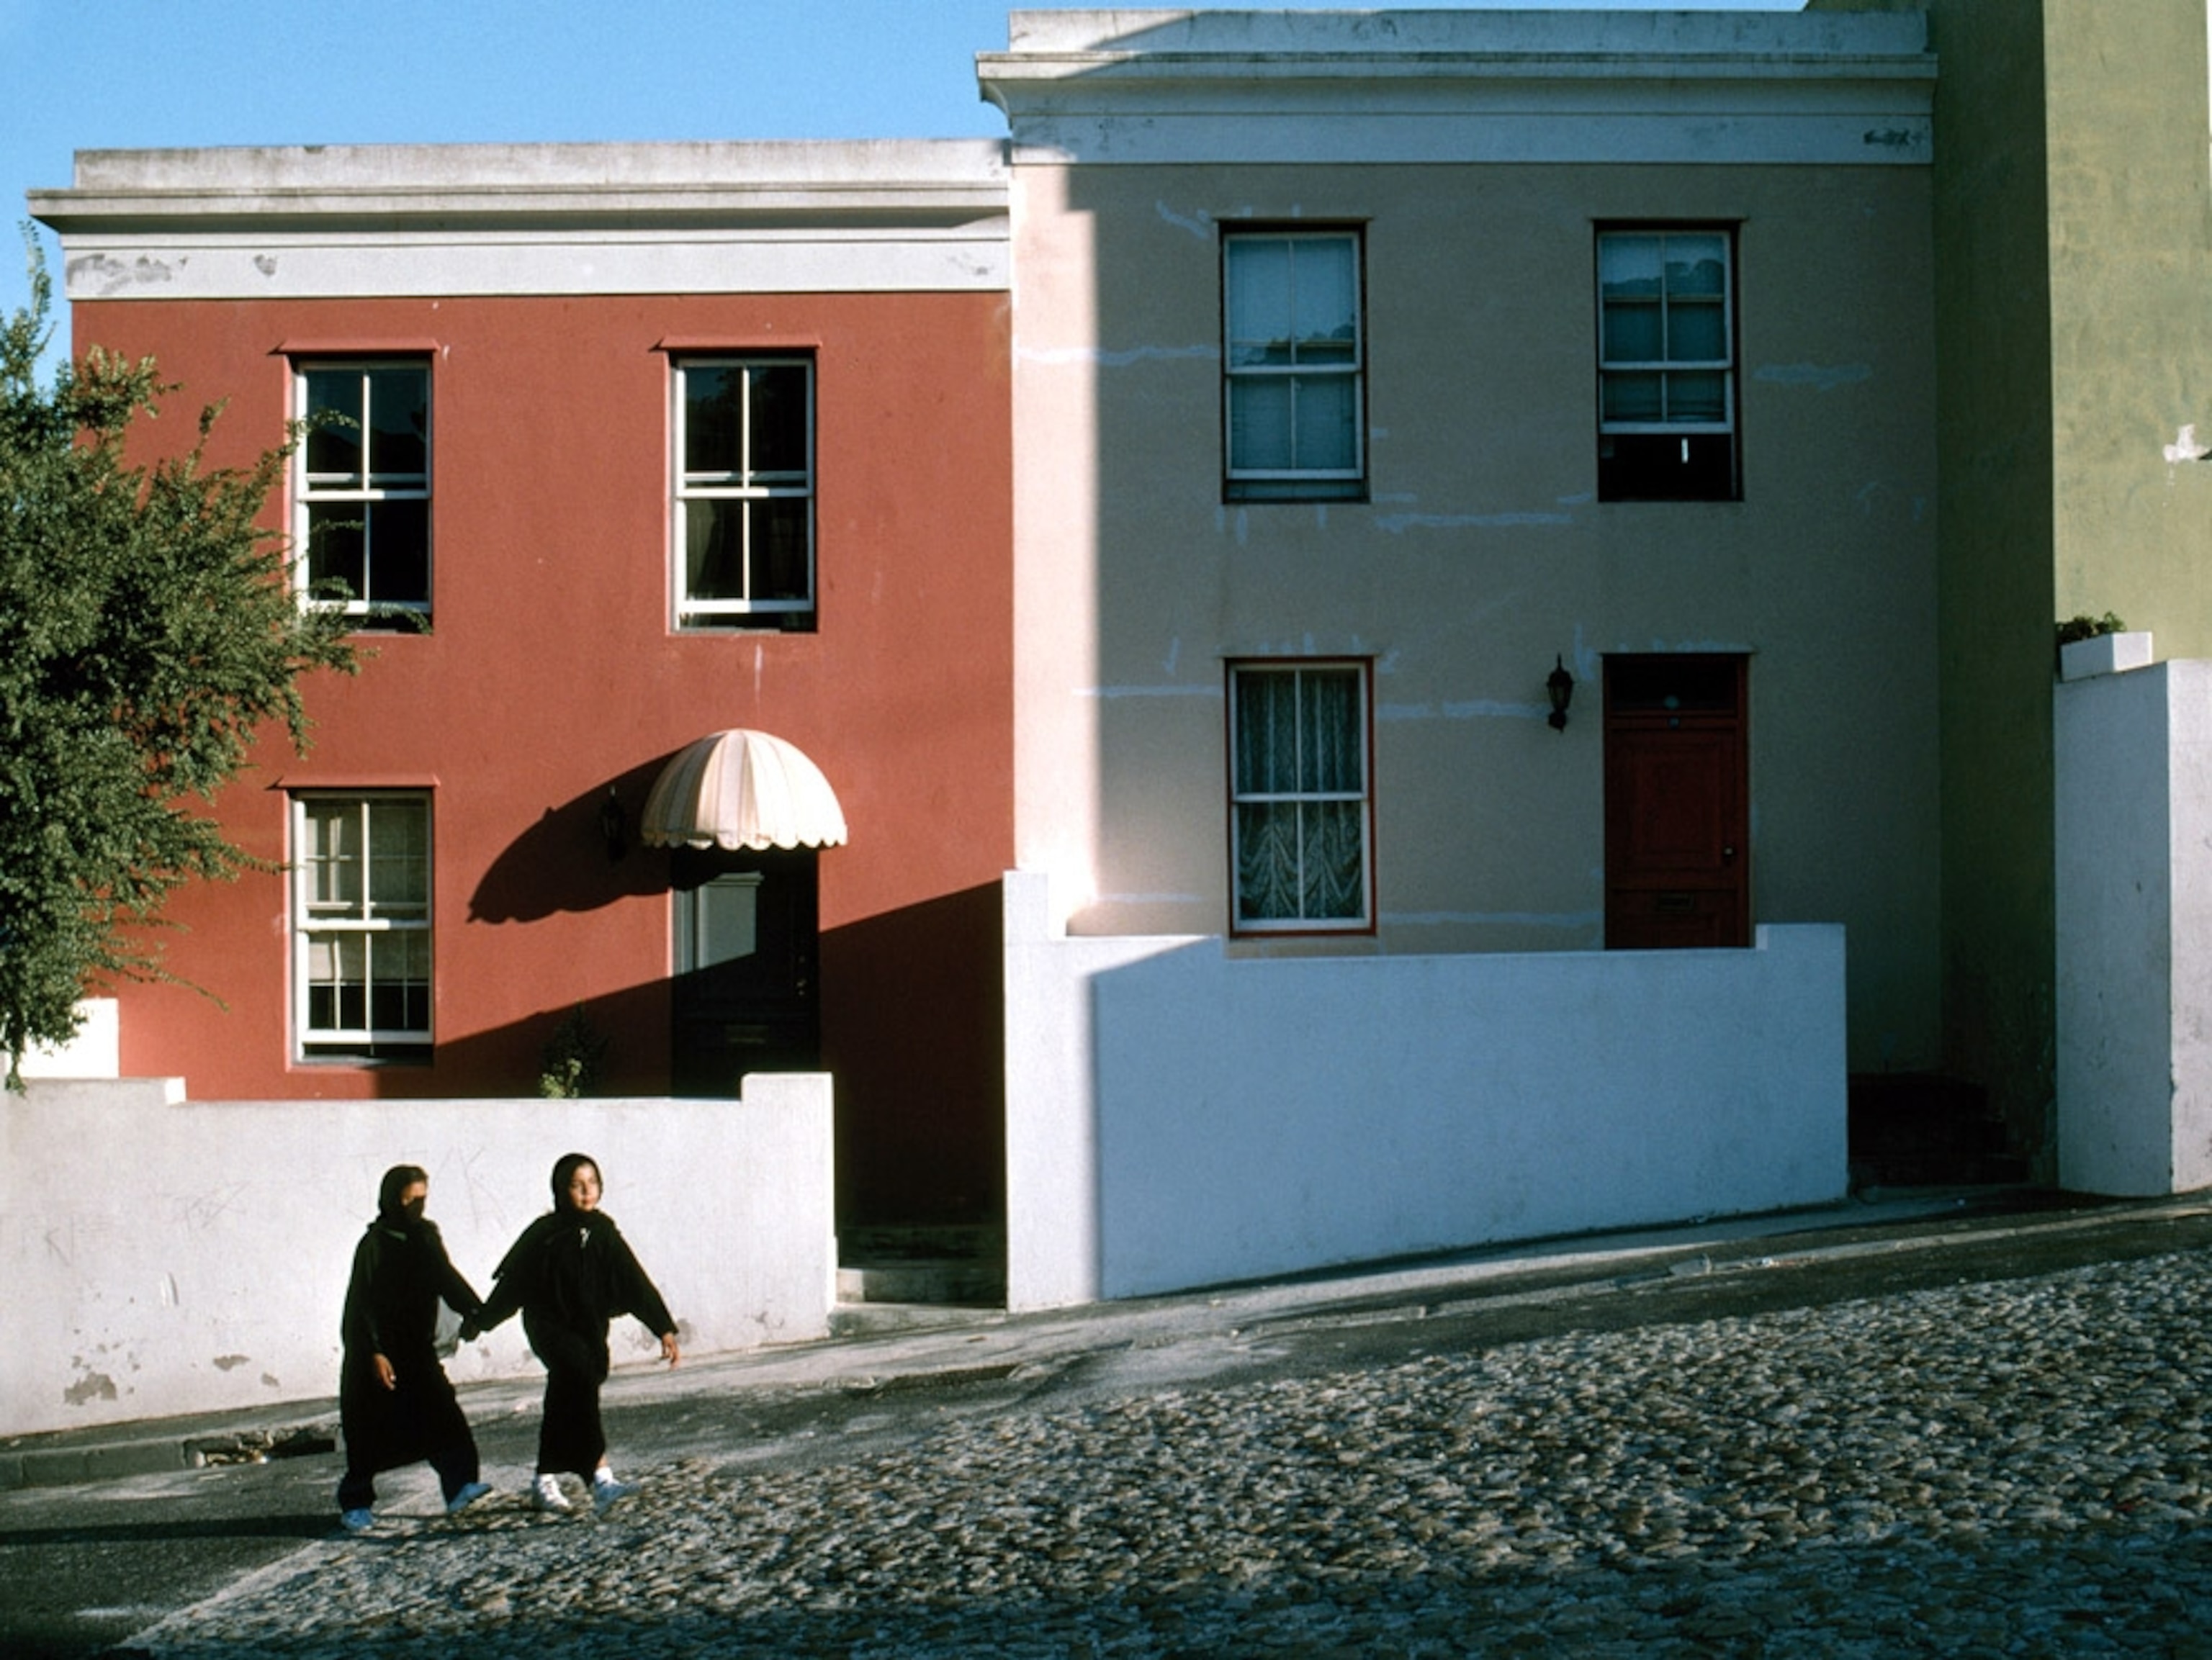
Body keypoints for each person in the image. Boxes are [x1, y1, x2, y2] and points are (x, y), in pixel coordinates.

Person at [462, 1152, 680, 1513]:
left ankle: (545, 1479)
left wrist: (663, 1328)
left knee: (573, 1390)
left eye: (592, 1183)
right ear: (559, 1190)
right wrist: (481, 1322)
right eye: (576, 1185)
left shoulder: (604, 1233)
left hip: (589, 1327)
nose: (586, 1191)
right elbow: (512, 1285)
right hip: (548, 1326)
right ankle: (601, 1477)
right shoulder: (544, 1234)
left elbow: (633, 1281)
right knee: (577, 1377)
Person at [336, 1165, 492, 1533]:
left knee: (443, 1415)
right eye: (407, 1201)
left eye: (421, 1201)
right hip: (378, 1355)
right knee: (370, 1434)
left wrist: (474, 1311)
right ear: (390, 1201)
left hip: (417, 1348)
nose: (415, 1210)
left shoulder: (426, 1236)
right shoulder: (374, 1244)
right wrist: (374, 1351)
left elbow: (445, 1275)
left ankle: (459, 1487)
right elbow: (361, 1304)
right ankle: (356, 1503)